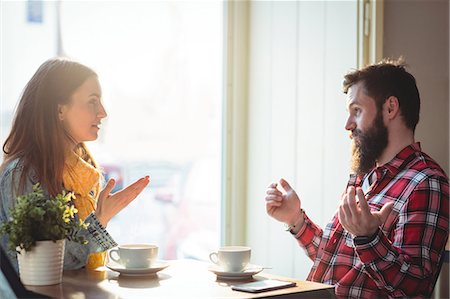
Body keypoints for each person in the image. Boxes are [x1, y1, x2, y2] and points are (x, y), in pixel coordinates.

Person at [265, 59, 449, 298]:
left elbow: (413, 285)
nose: (347, 125)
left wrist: (369, 239)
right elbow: (338, 261)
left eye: (357, 111)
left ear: (390, 108)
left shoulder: (426, 183)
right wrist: (296, 220)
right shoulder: (364, 178)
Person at [0, 58, 150, 271]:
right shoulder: (21, 174)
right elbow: (48, 264)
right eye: (92, 101)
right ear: (60, 110)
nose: (103, 112)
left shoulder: (85, 174)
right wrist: (100, 220)